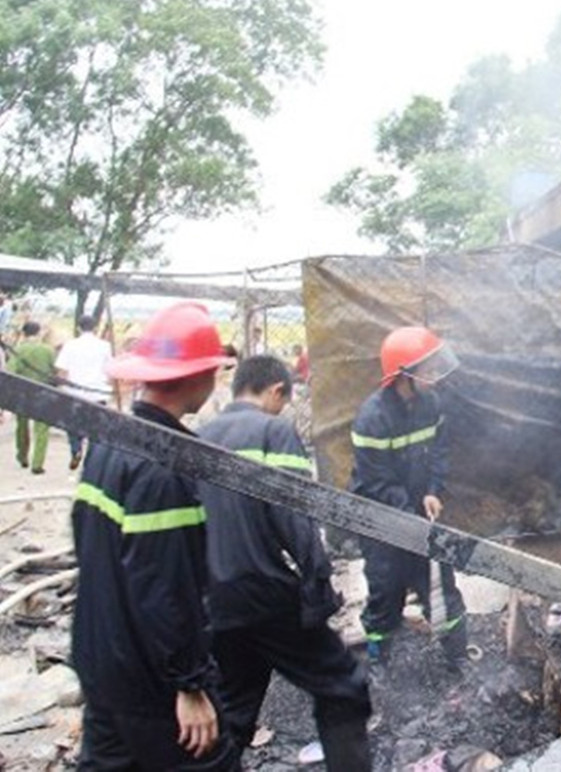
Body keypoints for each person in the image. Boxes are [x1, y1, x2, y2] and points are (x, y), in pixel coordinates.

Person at [71, 301, 237, 768]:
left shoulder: (109, 442)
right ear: (196, 376)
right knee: (209, 759)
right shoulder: (164, 469)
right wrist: (190, 684)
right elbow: (165, 585)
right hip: (148, 675)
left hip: (100, 656)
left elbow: (88, 544)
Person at [198, 355, 371, 770]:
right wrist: (318, 581)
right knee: (342, 684)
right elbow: (292, 514)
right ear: (276, 390)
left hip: (213, 599)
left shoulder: (202, 435)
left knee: (234, 707)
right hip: (262, 590)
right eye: (285, 400)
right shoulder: (273, 430)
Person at [350, 326, 468, 669]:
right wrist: (411, 520)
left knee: (442, 589)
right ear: (404, 374)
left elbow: (439, 452)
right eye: (428, 369)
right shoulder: (372, 418)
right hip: (380, 520)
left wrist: (433, 490)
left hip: (418, 510)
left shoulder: (432, 404)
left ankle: (458, 659)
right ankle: (379, 662)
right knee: (386, 591)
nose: (435, 375)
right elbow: (375, 482)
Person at [54, 314, 113, 470]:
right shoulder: (105, 346)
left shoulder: (70, 345)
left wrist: (61, 388)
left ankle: (76, 449)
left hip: (74, 392)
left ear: (78, 328)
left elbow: (62, 371)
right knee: (96, 429)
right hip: (98, 392)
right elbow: (110, 369)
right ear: (95, 328)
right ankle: (92, 459)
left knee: (73, 425)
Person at [11, 320, 57, 474]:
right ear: (38, 332)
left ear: (24, 334)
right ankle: (37, 463)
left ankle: (22, 456)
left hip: (23, 393)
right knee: (42, 429)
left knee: (22, 426)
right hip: (43, 392)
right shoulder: (48, 350)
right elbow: (55, 372)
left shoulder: (18, 350)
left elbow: (11, 371)